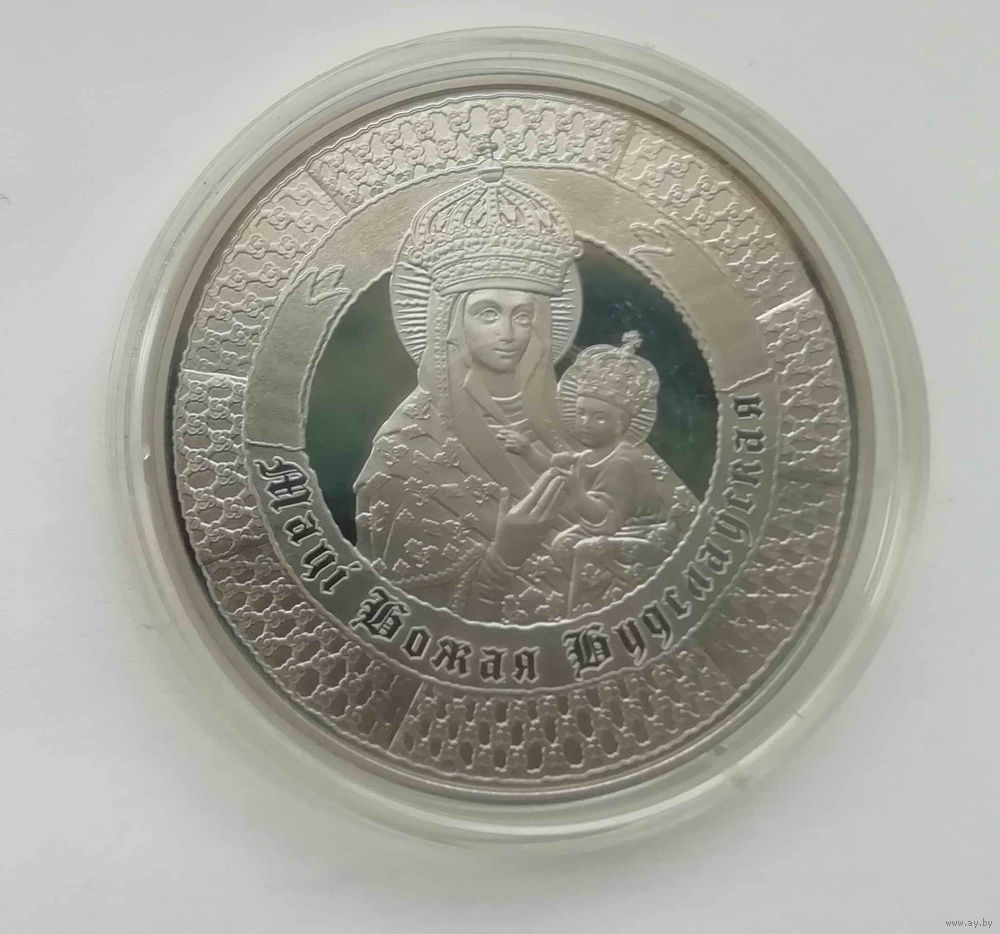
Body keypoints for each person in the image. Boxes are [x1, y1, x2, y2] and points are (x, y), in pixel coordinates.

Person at [354, 154, 696, 623]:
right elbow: (398, 615)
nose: (509, 333)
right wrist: (505, 556)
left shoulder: (582, 414)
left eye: (522, 314)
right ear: (451, 323)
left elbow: (687, 535)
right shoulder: (408, 446)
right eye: (487, 313)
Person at [499, 332, 699, 612]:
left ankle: (599, 609)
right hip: (614, 530)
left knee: (585, 550)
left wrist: (577, 491)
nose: (585, 422)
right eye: (581, 413)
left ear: (620, 425)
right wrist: (526, 450)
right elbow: (554, 467)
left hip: (647, 535)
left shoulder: (623, 463)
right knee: (562, 545)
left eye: (599, 417)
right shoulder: (591, 455)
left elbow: (607, 519)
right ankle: (606, 594)